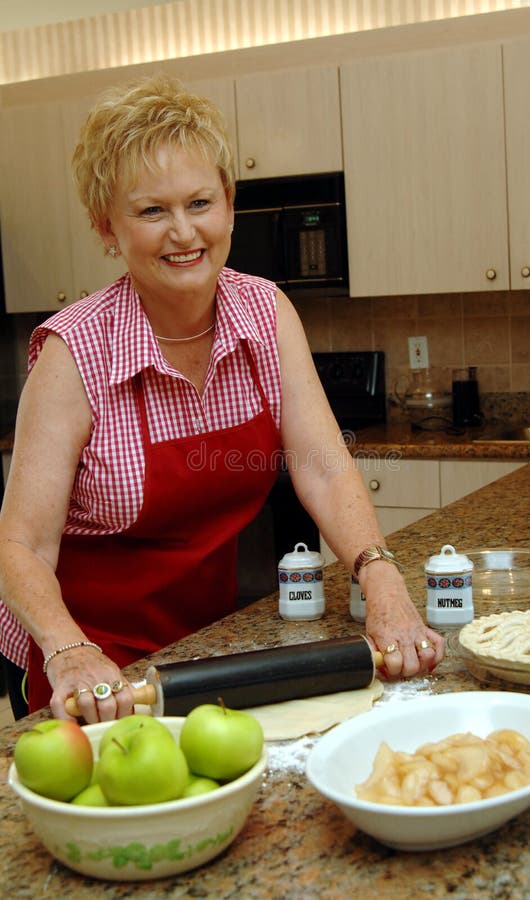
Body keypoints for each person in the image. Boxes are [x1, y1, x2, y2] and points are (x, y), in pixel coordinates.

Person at [0, 74, 444, 725]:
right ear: (106, 228)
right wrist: (69, 649)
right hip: (95, 660)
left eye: (200, 202)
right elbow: (21, 546)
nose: (183, 232)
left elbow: (321, 463)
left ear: (229, 204)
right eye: (152, 211)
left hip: (208, 644)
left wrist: (382, 579)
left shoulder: (264, 313)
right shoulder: (75, 354)